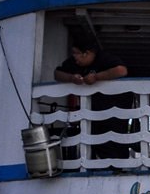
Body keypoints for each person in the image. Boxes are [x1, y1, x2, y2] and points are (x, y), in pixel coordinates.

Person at [55, 30, 133, 158]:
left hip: (115, 108)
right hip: (93, 109)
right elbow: (57, 74)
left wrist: (97, 77)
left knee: (116, 137)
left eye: (77, 53)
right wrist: (71, 78)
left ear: (88, 53)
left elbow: (121, 70)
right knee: (95, 137)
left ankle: (119, 167)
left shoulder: (104, 58)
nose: (74, 56)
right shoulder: (73, 63)